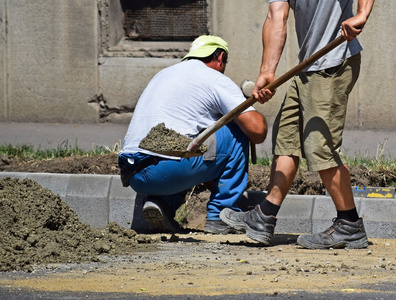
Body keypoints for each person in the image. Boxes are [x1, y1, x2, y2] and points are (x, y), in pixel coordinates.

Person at [220, 0, 375, 248]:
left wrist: (362, 13)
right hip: (307, 65)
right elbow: (275, 17)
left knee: (320, 146)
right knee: (287, 137)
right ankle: (264, 216)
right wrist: (267, 71)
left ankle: (349, 224)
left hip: (333, 63)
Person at [118, 35, 270, 234]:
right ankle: (222, 214)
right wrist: (243, 105)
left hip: (133, 174)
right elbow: (257, 131)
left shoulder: (164, 74)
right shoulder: (215, 79)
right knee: (237, 131)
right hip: (168, 170)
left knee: (185, 141)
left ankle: (161, 203)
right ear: (220, 57)